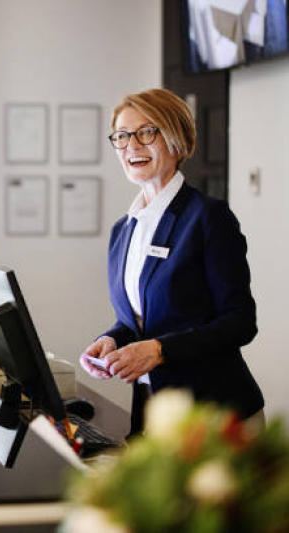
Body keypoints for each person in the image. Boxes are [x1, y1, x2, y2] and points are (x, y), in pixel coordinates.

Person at [79, 88, 264, 437]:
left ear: (177, 139)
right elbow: (136, 321)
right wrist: (112, 340)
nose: (132, 145)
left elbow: (241, 322)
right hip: (153, 411)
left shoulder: (208, 218)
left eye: (147, 132)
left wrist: (160, 351)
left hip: (215, 417)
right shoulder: (124, 229)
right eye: (122, 136)